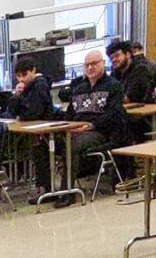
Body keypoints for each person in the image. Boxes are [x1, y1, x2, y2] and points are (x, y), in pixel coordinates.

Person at [54, 50, 128, 207]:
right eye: (87, 65)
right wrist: (67, 128)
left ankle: (68, 192)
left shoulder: (113, 86)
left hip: (99, 132)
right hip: (76, 130)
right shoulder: (79, 89)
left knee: (71, 146)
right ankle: (48, 190)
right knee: (45, 143)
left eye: (94, 63)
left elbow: (114, 115)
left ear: (102, 64)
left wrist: (90, 126)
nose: (90, 68)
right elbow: (70, 115)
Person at [7, 57, 54, 197]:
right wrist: (17, 95)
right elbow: (12, 111)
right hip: (31, 130)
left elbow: (34, 112)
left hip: (43, 131)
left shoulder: (40, 86)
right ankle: (36, 184)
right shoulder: (25, 88)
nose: (22, 79)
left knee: (39, 153)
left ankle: (44, 188)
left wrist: (22, 114)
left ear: (33, 70)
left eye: (25, 74)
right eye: (18, 76)